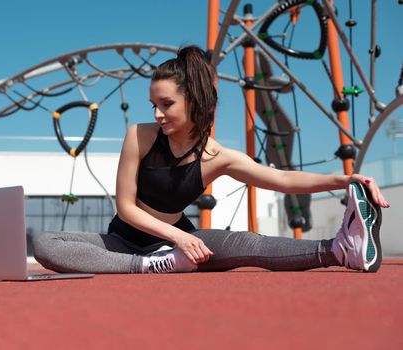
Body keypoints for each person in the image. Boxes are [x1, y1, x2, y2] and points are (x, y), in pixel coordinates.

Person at [33, 45, 389, 274]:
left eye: (166, 104)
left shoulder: (217, 157)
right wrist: (169, 249)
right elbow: (126, 208)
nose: (157, 114)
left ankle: (341, 250)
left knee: (251, 244)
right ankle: (146, 266)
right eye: (153, 105)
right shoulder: (139, 136)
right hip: (124, 243)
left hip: (178, 247)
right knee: (46, 243)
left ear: (194, 100)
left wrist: (345, 180)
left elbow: (280, 180)